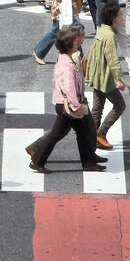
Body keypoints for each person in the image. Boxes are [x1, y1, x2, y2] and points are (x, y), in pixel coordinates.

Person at [25, 27, 105, 174]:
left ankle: (89, 161)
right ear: (70, 43)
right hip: (67, 106)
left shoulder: (65, 58)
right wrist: (77, 105)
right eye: (76, 39)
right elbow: (68, 87)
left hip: (66, 104)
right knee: (58, 134)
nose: (78, 41)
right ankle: (37, 160)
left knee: (84, 131)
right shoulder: (67, 65)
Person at [86, 5, 127, 149]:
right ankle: (101, 133)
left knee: (97, 107)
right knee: (120, 105)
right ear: (114, 18)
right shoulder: (110, 35)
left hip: (97, 74)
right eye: (120, 14)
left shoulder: (101, 30)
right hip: (106, 77)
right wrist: (119, 78)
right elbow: (112, 59)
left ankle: (91, 137)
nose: (122, 16)